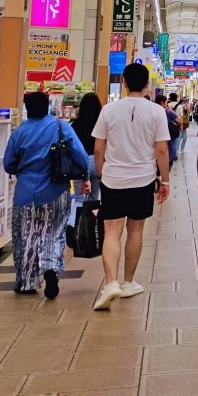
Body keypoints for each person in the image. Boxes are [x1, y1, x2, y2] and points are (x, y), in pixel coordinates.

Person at [91, 63, 171, 311]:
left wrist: (102, 172)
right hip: (143, 179)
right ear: (147, 85)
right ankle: (128, 282)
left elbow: (97, 148)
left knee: (112, 232)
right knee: (136, 230)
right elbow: (161, 150)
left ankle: (110, 282)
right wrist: (165, 180)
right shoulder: (156, 112)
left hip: (113, 179)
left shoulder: (108, 110)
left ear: (124, 83)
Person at [4, 92, 90, 297]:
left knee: (26, 235)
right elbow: (80, 155)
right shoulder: (60, 126)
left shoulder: (20, 132)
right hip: (56, 190)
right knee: (54, 231)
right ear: (48, 106)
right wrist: (85, 176)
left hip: (25, 193)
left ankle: (26, 282)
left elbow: (8, 164)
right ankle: (51, 268)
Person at [71, 91, 103, 191]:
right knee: (94, 199)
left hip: (80, 162)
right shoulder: (101, 124)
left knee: (79, 198)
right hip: (96, 162)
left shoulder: (75, 125)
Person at [161, 97, 181, 161]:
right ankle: (171, 158)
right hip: (168, 130)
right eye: (166, 102)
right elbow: (179, 120)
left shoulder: (153, 110)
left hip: (158, 132)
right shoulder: (168, 111)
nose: (167, 104)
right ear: (162, 103)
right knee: (171, 142)